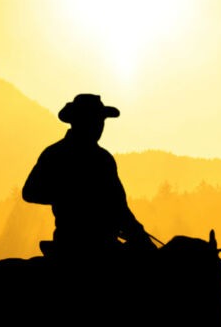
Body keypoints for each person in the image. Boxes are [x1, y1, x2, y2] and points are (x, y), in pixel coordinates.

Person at [23, 93, 154, 259]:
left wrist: (138, 234)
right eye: (95, 121)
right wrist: (71, 194)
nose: (99, 126)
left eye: (101, 121)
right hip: (84, 245)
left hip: (77, 242)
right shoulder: (97, 158)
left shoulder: (62, 153)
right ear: (81, 121)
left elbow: (119, 206)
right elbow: (29, 192)